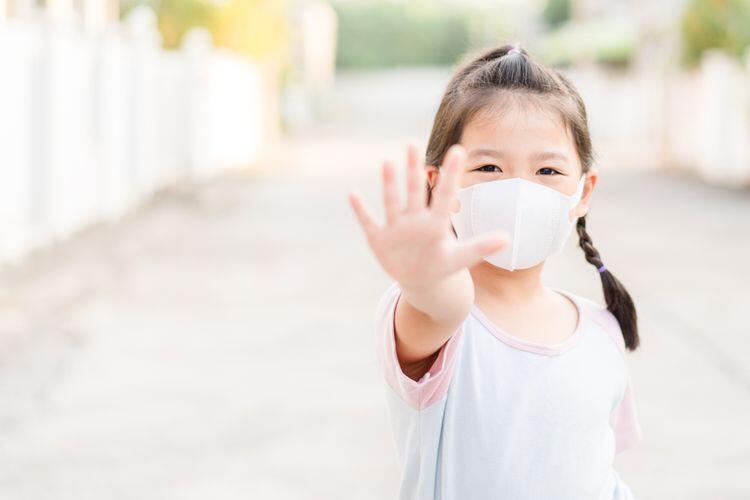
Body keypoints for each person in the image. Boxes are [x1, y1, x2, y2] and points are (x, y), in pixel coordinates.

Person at [347, 43, 643, 499]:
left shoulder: (601, 333)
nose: (520, 190)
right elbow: (440, 305)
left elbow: (594, 471)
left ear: (584, 191)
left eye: (547, 170)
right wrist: (421, 279)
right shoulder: (440, 320)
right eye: (489, 167)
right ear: (440, 184)